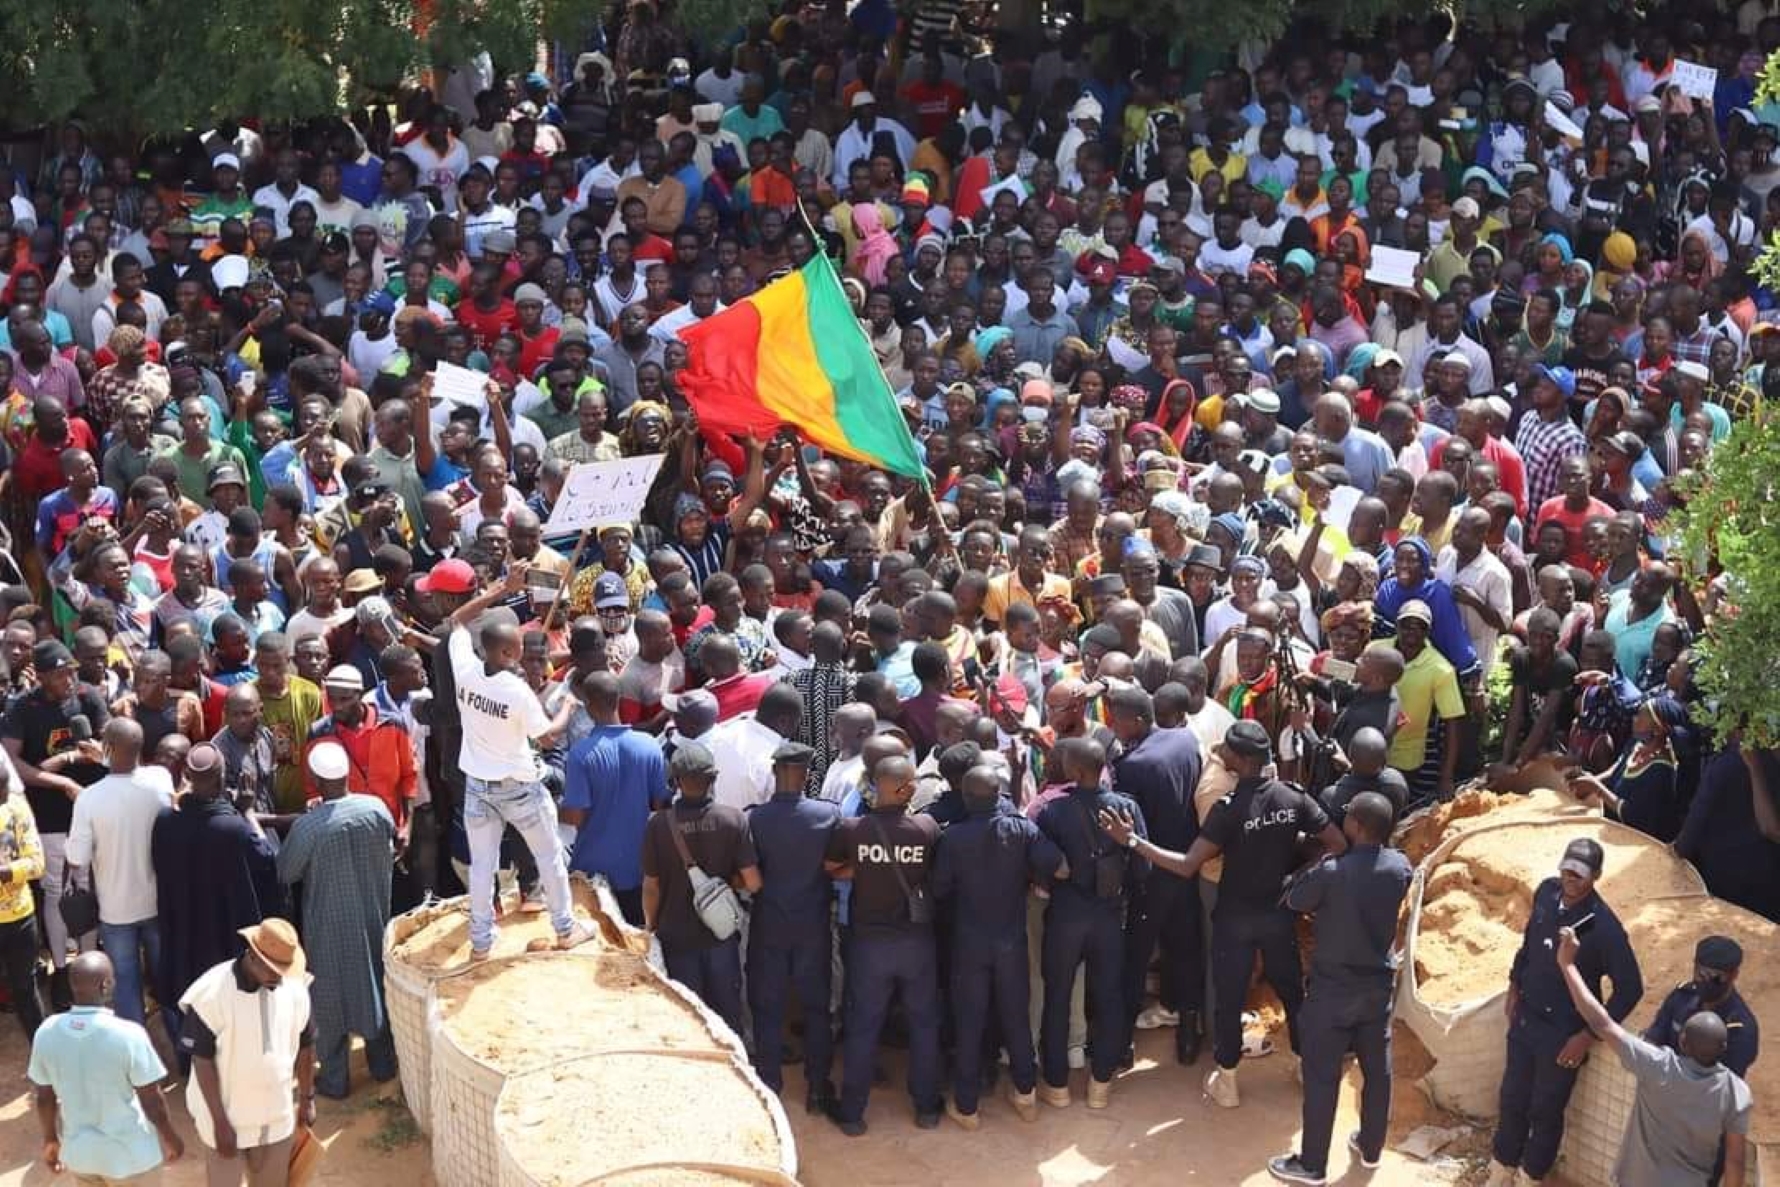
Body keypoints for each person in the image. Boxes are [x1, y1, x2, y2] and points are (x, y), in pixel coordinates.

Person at [1103, 720, 1345, 1109]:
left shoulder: (1229, 809)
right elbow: (1336, 843)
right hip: (1278, 915)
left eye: (1228, 750)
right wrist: (1296, 881)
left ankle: (1228, 1082)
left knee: (1229, 999)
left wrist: (1131, 840)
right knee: (1292, 993)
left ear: (1242, 761)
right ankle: (1304, 1064)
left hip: (1234, 918)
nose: (1221, 754)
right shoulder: (1293, 797)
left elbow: (1185, 865)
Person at [437, 562, 594, 959]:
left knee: (482, 866)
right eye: (519, 648)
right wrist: (568, 707)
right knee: (549, 856)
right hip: (519, 788)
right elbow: (547, 736)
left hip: (477, 788)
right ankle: (565, 928)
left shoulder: (466, 669)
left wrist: (499, 590)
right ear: (507, 652)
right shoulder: (517, 691)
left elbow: (456, 620)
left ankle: (481, 942)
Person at [1267, 791, 1410, 1185]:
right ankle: (1370, 1147)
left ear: (1358, 826)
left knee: (1322, 1077)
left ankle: (1312, 1165)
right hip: (1377, 989)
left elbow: (1294, 900)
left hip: (1332, 991)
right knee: (1377, 1072)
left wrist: (1315, 873)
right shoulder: (1399, 866)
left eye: (1348, 819)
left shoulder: (1333, 872)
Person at [1486, 837, 1643, 1187]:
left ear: (1596, 876)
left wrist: (1588, 1036)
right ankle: (1501, 1169)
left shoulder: (1603, 928)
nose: (1571, 877)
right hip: (1526, 1020)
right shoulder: (1546, 892)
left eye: (1580, 873)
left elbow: (1631, 989)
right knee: (1512, 1097)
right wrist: (1515, 985)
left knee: (1545, 1109)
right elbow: (1528, 944)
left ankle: (1530, 1176)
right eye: (1567, 868)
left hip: (1563, 1034)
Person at [1552, 923, 1750, 1187]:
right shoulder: (1738, 1094)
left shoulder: (1656, 1067)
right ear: (1722, 1048)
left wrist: (1568, 965)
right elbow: (1735, 1161)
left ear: (1682, 1041)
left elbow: (1601, 1023)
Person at [931, 762, 1063, 1128]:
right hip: (1010, 941)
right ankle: (1025, 1094)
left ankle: (968, 1107)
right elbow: (1056, 864)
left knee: (969, 1022)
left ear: (966, 798)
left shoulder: (952, 837)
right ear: (997, 796)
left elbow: (939, 888)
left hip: (968, 942)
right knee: (1016, 1017)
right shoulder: (1022, 830)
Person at [824, 752, 944, 1135]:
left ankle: (853, 1114)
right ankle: (926, 1108)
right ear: (907, 789)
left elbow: (829, 868)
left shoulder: (853, 828)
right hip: (917, 944)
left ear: (877, 787)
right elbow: (935, 875)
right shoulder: (927, 827)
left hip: (869, 946)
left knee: (862, 1026)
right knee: (924, 1025)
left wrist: (863, 868)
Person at [276, 741, 397, 1099]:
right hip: (374, 915)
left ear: (314, 778)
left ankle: (334, 1079)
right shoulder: (376, 808)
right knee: (374, 987)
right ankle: (382, 1065)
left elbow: (285, 873)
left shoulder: (309, 828)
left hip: (327, 926)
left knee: (328, 1000)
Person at [1034, 737, 1146, 1110]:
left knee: (1058, 997)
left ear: (1077, 770)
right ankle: (1100, 1084)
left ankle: (1057, 1085)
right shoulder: (1126, 808)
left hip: (1067, 916)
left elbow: (1043, 867)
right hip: (1110, 917)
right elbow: (1141, 865)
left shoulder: (1053, 812)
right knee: (1109, 996)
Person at [3, 639, 111, 1007]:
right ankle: (63, 970)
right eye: (61, 674)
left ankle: (87, 962)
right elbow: (13, 763)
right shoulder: (24, 707)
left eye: (71, 673)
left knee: (85, 885)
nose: (69, 680)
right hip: (49, 813)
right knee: (54, 888)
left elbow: (111, 741)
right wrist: (62, 778)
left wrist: (96, 753)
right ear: (43, 676)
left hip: (89, 806)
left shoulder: (87, 697)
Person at [151, 742, 284, 1037]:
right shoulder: (234, 827)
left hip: (184, 932)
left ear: (186, 775)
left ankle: (189, 1060)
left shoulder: (164, 822)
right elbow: (266, 859)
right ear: (222, 778)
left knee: (192, 1005)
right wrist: (247, 813)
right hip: (224, 936)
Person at [1106, 684, 1206, 1064]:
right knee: (1185, 948)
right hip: (1186, 861)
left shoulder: (1133, 767)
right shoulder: (1183, 739)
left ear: (1139, 720)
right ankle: (1188, 1034)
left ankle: (1123, 1043)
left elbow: (1128, 826)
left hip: (1151, 871)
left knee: (1135, 956)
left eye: (1117, 721)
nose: (1113, 727)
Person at [178, 918, 315, 1187]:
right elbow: (202, 1061)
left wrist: (307, 1098)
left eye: (283, 970)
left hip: (277, 1120)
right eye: (273, 970)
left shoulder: (293, 989)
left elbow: (308, 1046)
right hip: (227, 1124)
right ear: (253, 956)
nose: (279, 978)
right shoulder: (211, 993)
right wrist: (220, 1124)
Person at [29, 951, 184, 1184]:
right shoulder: (128, 1034)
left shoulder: (47, 1032)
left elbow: (44, 1097)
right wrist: (170, 1137)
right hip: (131, 1157)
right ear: (107, 984)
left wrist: (50, 1139)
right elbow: (151, 1099)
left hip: (81, 1155)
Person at [743, 741, 840, 1111]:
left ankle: (770, 1086)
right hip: (813, 927)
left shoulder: (754, 818)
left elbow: (748, 874)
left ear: (774, 773)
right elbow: (836, 866)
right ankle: (817, 1088)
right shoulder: (827, 815)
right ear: (807, 775)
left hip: (769, 925)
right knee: (817, 1010)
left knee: (767, 1008)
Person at [641, 739, 759, 1032]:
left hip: (676, 937)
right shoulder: (734, 819)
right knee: (728, 1017)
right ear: (714, 778)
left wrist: (651, 924)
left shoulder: (657, 825)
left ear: (676, 781)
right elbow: (753, 883)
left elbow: (651, 886)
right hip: (721, 937)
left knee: (689, 1019)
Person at [65, 718, 176, 1029]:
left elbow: (77, 858)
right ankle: (183, 1053)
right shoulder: (160, 781)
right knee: (166, 978)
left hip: (116, 910)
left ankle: (136, 1053)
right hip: (157, 903)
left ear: (108, 748)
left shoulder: (89, 798)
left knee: (125, 985)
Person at [561, 670, 671, 927]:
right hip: (639, 869)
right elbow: (660, 804)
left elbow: (576, 816)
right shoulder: (649, 745)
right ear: (619, 699)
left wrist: (553, 809)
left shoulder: (580, 754)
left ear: (587, 707)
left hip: (593, 872)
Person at [1643, 936, 1759, 1080]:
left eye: (1717, 978)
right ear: (1694, 967)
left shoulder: (1740, 1030)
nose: (1707, 983)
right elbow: (1655, 1037)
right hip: (1665, 1082)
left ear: (1734, 975)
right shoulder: (1681, 996)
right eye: (1701, 974)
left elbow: (1725, 1084)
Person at [0, 741, 46, 1038]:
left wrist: (6, 872)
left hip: (19, 916)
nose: (5, 798)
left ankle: (45, 1056)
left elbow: (37, 863)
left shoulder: (16, 806)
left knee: (25, 989)